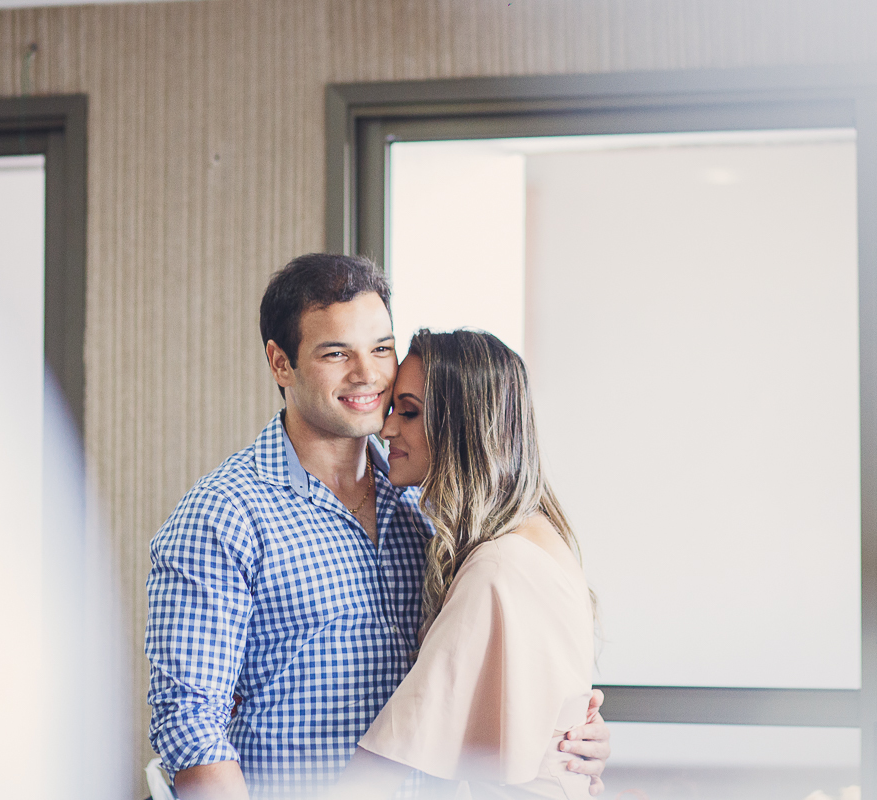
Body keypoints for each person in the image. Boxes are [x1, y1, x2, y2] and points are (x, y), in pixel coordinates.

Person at [145, 254, 610, 800]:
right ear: (280, 363)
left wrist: (563, 737)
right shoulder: (224, 514)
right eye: (336, 353)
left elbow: (480, 672)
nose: (366, 374)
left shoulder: (432, 506)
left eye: (381, 348)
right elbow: (191, 726)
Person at [335, 329, 596, 800]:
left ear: (462, 425)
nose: (386, 429)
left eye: (408, 412)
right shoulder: (536, 536)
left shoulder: (498, 566)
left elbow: (387, 760)